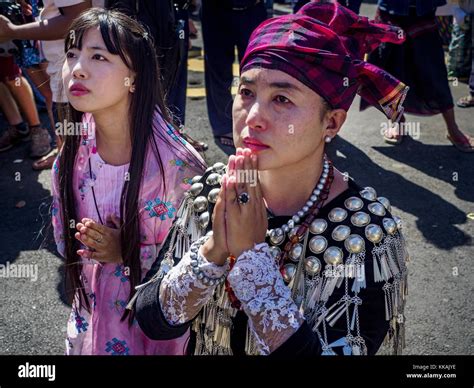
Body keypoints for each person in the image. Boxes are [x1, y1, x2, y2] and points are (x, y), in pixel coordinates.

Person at [133, 2, 409, 356]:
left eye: (281, 98)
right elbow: (152, 319)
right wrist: (214, 250)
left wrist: (250, 259)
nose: (253, 117)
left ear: (332, 123)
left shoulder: (368, 233)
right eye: (246, 93)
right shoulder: (209, 192)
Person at [51, 8, 205, 354]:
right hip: (92, 318)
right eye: (71, 54)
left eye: (98, 56)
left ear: (133, 78)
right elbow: (65, 240)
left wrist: (127, 250)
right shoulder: (73, 152)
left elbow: (198, 269)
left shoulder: (176, 167)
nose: (77, 68)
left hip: (153, 330)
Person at [360, 0, 474, 152]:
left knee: (434, 73)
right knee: (385, 72)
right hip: (390, 10)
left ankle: (453, 129)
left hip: (423, 10)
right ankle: (398, 121)